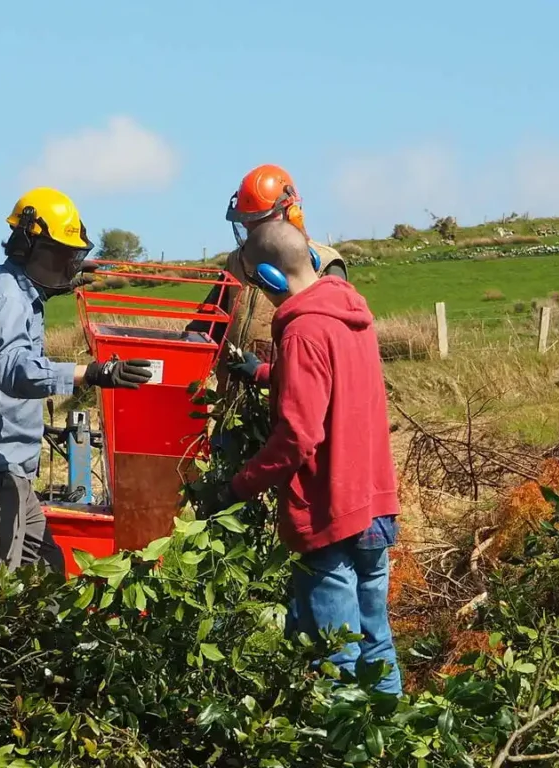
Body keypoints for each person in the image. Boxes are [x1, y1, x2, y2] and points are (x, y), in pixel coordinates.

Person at [217, 218, 402, 695]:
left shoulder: (300, 332)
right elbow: (332, 384)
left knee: (337, 657)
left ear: (270, 281)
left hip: (330, 511)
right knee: (375, 643)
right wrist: (264, 373)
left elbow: (298, 436)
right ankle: (394, 740)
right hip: (374, 504)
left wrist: (239, 486)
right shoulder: (352, 314)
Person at [0, 187, 154, 574]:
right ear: (27, 245)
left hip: (9, 473)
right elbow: (10, 368)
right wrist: (91, 373)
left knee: (47, 576)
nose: (70, 265)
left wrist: (66, 277)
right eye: (62, 254)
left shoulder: (21, 294)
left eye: (74, 256)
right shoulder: (4, 294)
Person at [186, 164, 348, 394]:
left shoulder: (324, 263)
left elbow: (337, 348)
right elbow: (207, 325)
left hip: (287, 397)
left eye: (258, 224)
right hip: (234, 398)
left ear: (291, 214)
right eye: (247, 224)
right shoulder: (236, 262)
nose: (252, 234)